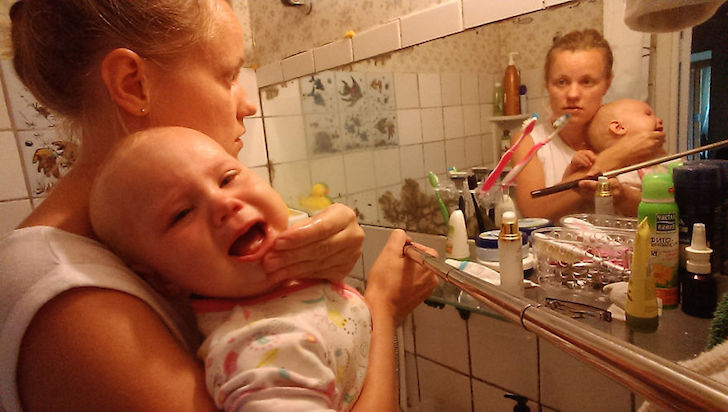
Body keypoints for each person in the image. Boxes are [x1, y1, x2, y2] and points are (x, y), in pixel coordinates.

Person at [0, 1, 369, 410]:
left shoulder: (155, 240)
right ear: (132, 84)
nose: (248, 104)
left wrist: (320, 258)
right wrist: (386, 306)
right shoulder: (66, 303)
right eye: (228, 76)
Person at [87, 126, 438, 411]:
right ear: (160, 277)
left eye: (227, 178)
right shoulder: (261, 354)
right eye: (181, 213)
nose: (224, 202)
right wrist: (384, 307)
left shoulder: (285, 290)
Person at [510, 29, 666, 221]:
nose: (573, 94)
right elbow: (534, 213)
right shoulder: (530, 141)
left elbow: (663, 212)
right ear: (547, 85)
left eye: (587, 82)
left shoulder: (630, 133)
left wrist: (622, 196)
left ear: (607, 84)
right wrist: (613, 158)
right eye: (561, 82)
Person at [562, 98, 666, 215]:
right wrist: (574, 167)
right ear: (618, 128)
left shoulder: (661, 162)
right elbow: (570, 189)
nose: (659, 119)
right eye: (648, 114)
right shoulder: (596, 162)